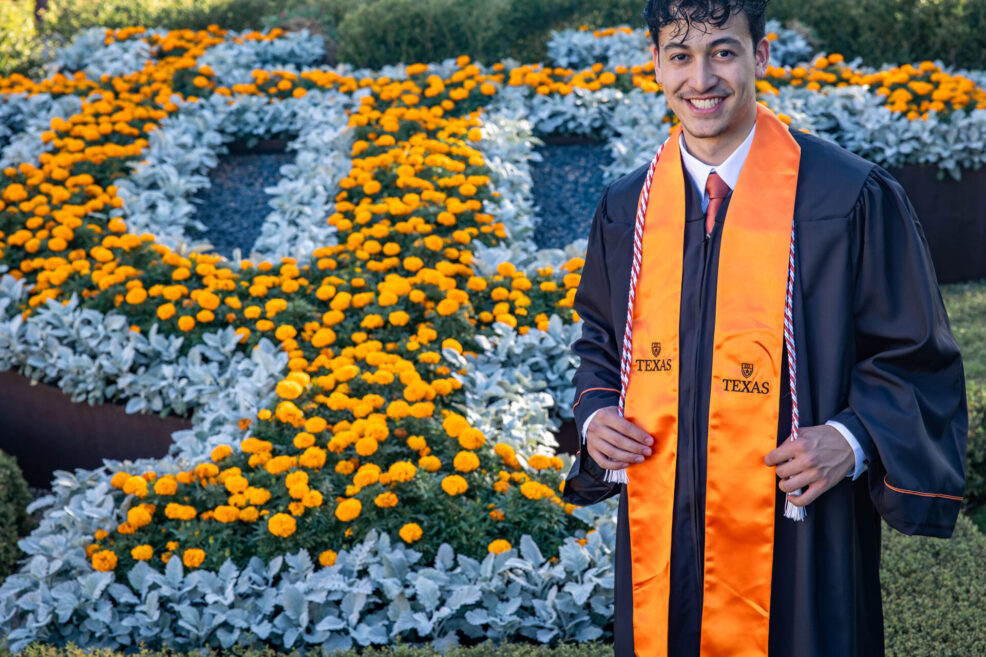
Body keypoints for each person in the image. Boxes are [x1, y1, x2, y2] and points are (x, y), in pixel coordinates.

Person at [560, 1, 968, 656]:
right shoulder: (627, 209)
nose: (702, 78)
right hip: (666, 530)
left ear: (762, 56)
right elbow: (601, 341)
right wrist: (597, 413)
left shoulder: (850, 197)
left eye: (723, 51)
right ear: (656, 66)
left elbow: (917, 355)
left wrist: (852, 437)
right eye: (680, 55)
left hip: (802, 535)